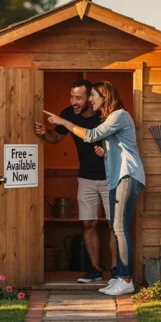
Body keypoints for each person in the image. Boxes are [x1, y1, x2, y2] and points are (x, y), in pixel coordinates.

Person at [43, 80, 145, 296]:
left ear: (104, 97)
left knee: (119, 228)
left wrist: (63, 121)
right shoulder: (113, 118)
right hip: (118, 177)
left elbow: (90, 136)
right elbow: (119, 146)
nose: (90, 100)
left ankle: (125, 279)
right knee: (117, 227)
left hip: (127, 175)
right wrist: (105, 152)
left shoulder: (118, 115)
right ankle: (118, 278)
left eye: (93, 96)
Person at [34, 79, 117, 284]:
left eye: (78, 98)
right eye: (71, 97)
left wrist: (107, 150)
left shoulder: (104, 114)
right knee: (88, 223)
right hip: (86, 177)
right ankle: (95, 270)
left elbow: (117, 141)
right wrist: (45, 133)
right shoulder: (69, 114)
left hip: (110, 177)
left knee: (114, 225)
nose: (73, 102)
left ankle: (117, 271)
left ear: (90, 97)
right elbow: (56, 138)